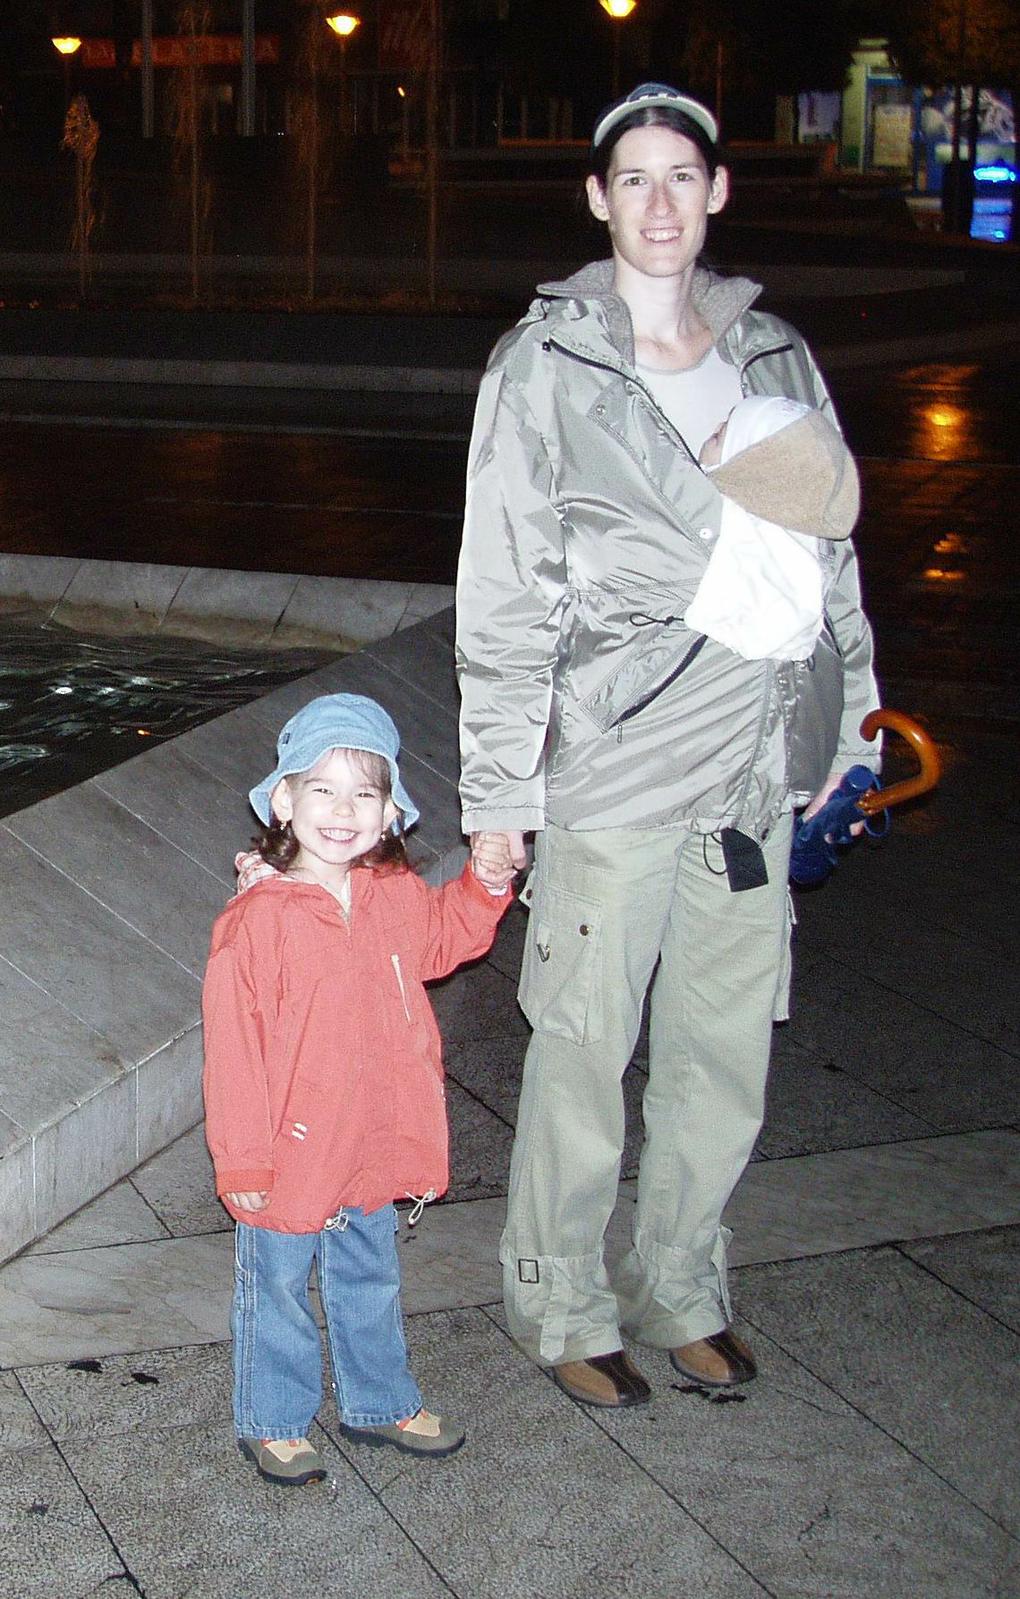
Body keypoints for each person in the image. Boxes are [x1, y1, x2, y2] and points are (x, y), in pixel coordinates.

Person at [455, 83, 880, 1408]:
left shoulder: (775, 359)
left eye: (681, 176)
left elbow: (830, 561)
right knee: (584, 1048)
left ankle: (682, 1284)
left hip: (754, 762)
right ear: (597, 198)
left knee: (722, 1049)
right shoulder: (547, 366)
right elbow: (504, 590)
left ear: (717, 192)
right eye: (633, 178)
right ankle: (559, 1295)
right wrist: (499, 790)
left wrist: (854, 729)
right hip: (617, 762)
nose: (658, 202)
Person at [202, 693, 515, 1484]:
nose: (343, 811)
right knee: (276, 1284)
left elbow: (442, 939)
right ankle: (275, 1418)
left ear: (390, 813)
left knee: (370, 1275)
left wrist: (484, 881)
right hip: (289, 1148)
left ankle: (378, 1401)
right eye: (323, 789)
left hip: (372, 1137)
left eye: (364, 794)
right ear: (285, 800)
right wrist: (243, 1159)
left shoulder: (393, 894)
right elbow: (234, 1051)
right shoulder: (258, 919)